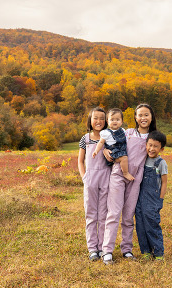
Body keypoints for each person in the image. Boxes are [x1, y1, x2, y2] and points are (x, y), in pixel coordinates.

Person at [101, 103, 157, 265]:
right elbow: (111, 139)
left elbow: (157, 154)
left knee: (128, 215)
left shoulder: (153, 137)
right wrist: (105, 149)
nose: (143, 118)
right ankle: (107, 251)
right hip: (118, 174)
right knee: (114, 212)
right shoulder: (128, 132)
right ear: (135, 117)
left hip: (136, 178)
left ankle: (127, 249)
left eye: (146, 115)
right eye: (140, 115)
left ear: (151, 117)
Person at [77, 107, 111, 262]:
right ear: (90, 120)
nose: (98, 121)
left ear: (106, 121)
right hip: (90, 178)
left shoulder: (109, 137)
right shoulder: (86, 138)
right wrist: (84, 177)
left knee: (103, 214)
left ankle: (103, 248)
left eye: (102, 118)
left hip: (106, 177)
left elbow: (116, 156)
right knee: (91, 214)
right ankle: (92, 249)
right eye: (95, 118)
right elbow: (80, 160)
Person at [135, 130, 168, 261]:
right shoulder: (143, 158)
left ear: (162, 148)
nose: (151, 148)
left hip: (153, 199)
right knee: (141, 225)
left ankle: (158, 253)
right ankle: (146, 252)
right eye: (150, 145)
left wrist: (160, 199)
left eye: (155, 146)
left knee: (152, 225)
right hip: (140, 198)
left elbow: (164, 182)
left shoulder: (161, 163)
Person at [92, 108, 134, 181]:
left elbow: (127, 140)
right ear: (107, 121)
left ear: (121, 121)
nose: (115, 122)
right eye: (112, 119)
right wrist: (96, 151)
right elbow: (101, 142)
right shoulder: (106, 133)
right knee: (124, 158)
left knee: (125, 157)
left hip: (122, 150)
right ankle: (125, 173)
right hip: (113, 152)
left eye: (117, 120)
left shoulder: (123, 130)